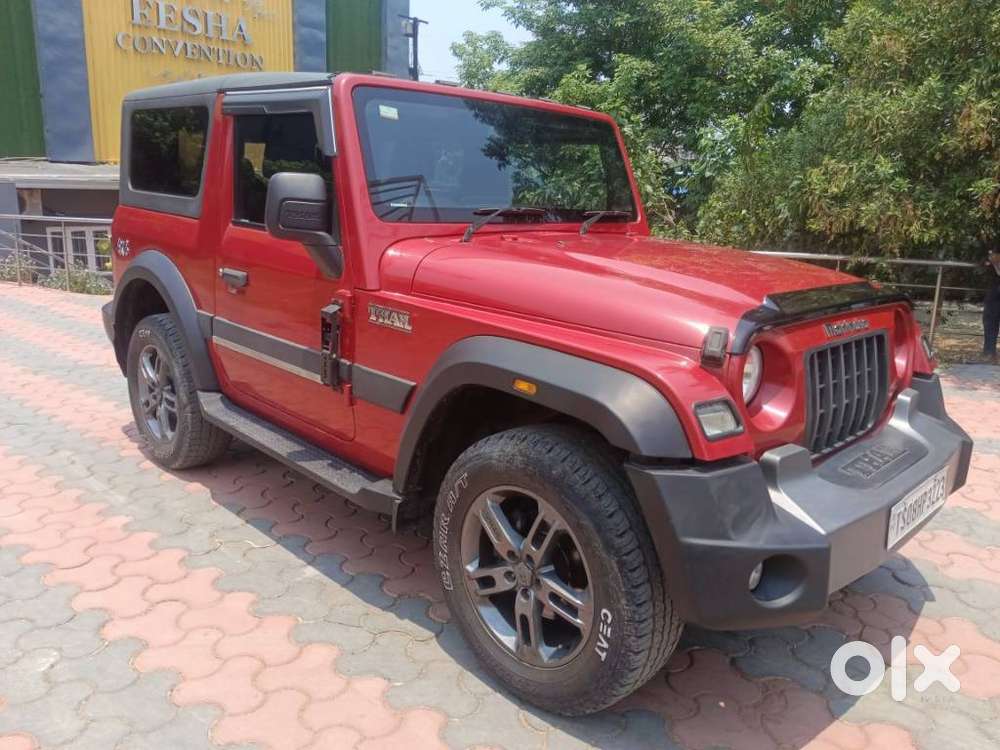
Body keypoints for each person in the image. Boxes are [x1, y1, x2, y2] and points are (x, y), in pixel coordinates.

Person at [984, 250, 1000, 364]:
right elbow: (982, 262)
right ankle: (990, 353)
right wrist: (990, 261)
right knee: (990, 320)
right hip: (995, 289)